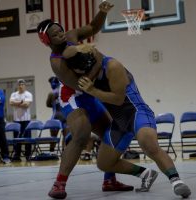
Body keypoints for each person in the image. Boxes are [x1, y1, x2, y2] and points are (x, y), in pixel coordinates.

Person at [37, 2, 158, 199]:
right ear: (47, 40)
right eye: (55, 34)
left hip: (91, 91)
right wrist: (95, 57)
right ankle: (59, 183)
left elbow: (93, 27)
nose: (61, 34)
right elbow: (80, 85)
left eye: (60, 30)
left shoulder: (71, 37)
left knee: (110, 134)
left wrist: (101, 13)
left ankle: (111, 179)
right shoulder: (57, 62)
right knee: (82, 133)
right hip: (74, 95)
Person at [61, 44, 192, 198]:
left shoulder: (112, 66)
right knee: (104, 163)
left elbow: (118, 99)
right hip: (119, 123)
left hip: (137, 112)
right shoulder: (83, 73)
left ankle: (176, 181)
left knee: (148, 144)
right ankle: (145, 174)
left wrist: (93, 91)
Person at [9, 79, 33, 161]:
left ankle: (28, 155)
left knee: (27, 138)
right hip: (16, 120)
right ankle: (17, 155)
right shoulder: (14, 94)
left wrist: (16, 103)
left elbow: (26, 105)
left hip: (26, 120)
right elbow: (11, 103)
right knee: (16, 138)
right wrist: (21, 102)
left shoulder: (28, 94)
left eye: (22, 84)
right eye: (19, 84)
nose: (21, 86)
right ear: (17, 85)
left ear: (25, 85)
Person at [46, 76, 68, 152]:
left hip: (55, 117)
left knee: (53, 137)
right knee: (66, 136)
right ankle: (64, 151)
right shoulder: (65, 91)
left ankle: (51, 152)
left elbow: (48, 104)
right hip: (65, 116)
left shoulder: (51, 93)